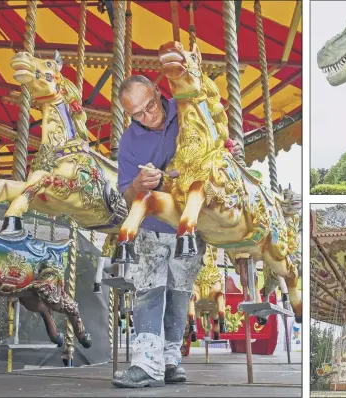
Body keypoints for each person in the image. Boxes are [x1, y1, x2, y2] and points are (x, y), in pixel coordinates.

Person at [112, 75, 242, 388]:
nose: (148, 117)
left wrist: (228, 153)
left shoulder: (188, 110)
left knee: (180, 293)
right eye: (137, 114)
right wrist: (137, 185)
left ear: (159, 92)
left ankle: (171, 360)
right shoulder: (130, 141)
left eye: (150, 106)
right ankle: (146, 363)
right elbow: (126, 194)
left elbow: (215, 146)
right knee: (149, 289)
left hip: (191, 223)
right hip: (154, 225)